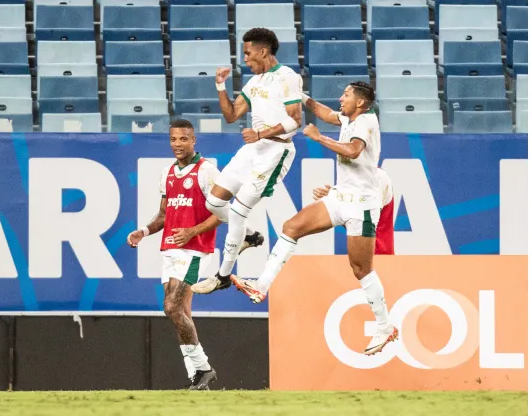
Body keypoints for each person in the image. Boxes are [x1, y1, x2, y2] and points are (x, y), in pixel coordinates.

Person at [230, 81, 399, 355]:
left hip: (362, 206)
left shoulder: (367, 121)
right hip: (340, 198)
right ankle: (261, 286)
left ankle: (384, 325)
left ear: (360, 102)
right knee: (291, 227)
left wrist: (319, 138)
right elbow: (326, 113)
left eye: (346, 95)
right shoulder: (348, 117)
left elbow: (354, 150)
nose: (340, 98)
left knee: (361, 269)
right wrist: (301, 96)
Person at [191, 27, 304, 295]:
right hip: (253, 149)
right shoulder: (254, 83)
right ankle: (250, 236)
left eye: (248, 53)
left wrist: (260, 133)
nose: (245, 59)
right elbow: (231, 115)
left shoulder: (288, 77)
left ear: (263, 51)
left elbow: (294, 120)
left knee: (239, 211)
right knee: (215, 201)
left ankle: (222, 275)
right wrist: (220, 85)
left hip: (276, 151)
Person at [126, 119, 221, 390]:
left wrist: (192, 231)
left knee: (171, 307)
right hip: (170, 248)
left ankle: (203, 367)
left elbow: (222, 214)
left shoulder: (207, 171)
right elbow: (164, 215)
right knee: (181, 312)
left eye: (183, 139)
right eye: (174, 139)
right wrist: (143, 231)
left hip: (195, 248)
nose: (177, 144)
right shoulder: (167, 172)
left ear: (194, 140)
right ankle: (197, 376)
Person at [312, 167, 395, 255]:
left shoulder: (378, 177)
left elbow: (367, 224)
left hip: (381, 256)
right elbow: (356, 224)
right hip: (360, 258)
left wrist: (340, 204)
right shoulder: (351, 181)